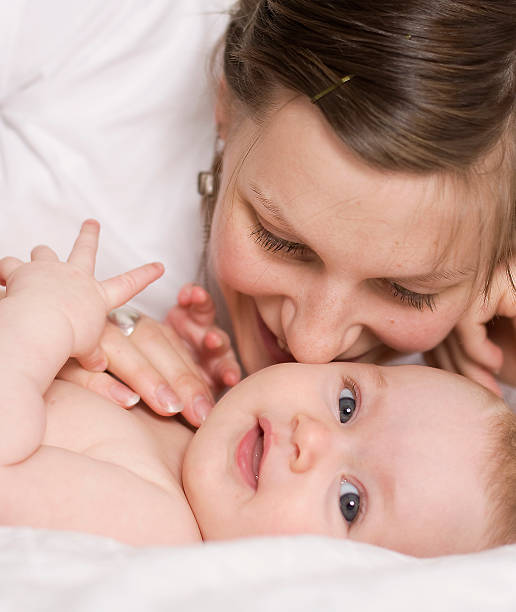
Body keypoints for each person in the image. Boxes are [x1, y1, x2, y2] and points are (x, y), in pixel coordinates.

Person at [54, 0, 516, 429]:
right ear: (226, 109)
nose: (311, 345)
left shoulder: (476, 398)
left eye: (406, 291)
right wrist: (28, 339)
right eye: (281, 240)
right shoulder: (103, 33)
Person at [0, 220, 515, 557]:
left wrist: (43, 317)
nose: (310, 438)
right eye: (346, 404)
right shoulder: (187, 432)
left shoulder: (155, 528)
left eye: (350, 503)